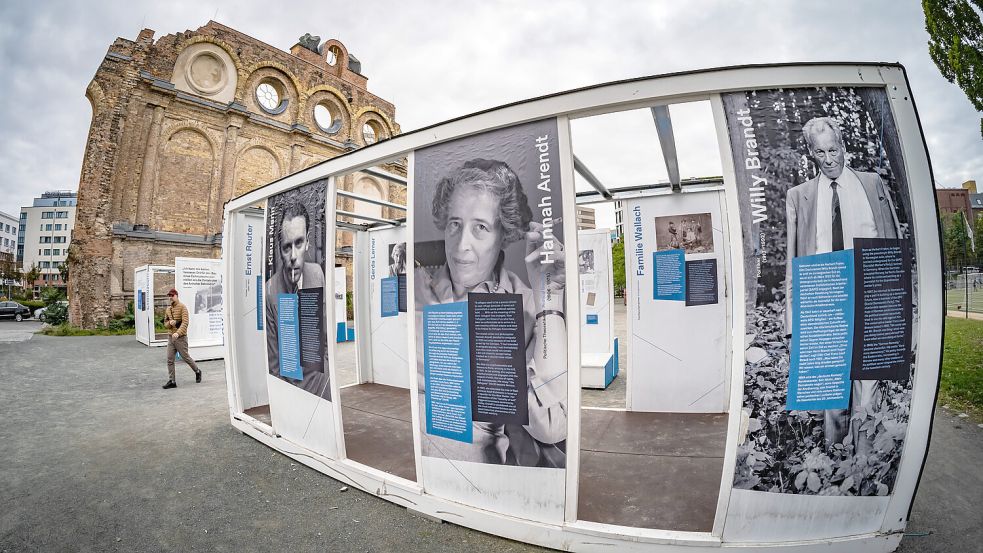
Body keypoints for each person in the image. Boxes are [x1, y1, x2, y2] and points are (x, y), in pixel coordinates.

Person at [416, 158, 567, 467]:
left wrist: (549, 297)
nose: (461, 246)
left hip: (475, 482)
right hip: (414, 473)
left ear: (505, 234)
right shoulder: (418, 289)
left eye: (480, 228)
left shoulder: (523, 306)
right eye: (454, 225)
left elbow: (552, 426)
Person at [784, 116, 901, 452]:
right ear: (812, 154)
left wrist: (901, 310)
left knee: (868, 386)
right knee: (831, 393)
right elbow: (793, 264)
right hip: (824, 299)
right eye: (820, 152)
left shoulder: (872, 184)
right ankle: (835, 459)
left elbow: (893, 245)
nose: (829, 158)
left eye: (833, 149)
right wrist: (793, 324)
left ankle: (864, 460)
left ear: (843, 146)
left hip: (870, 295)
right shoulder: (798, 196)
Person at [265, 197, 330, 399]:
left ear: (308, 241)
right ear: (280, 250)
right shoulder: (270, 291)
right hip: (291, 392)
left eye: (299, 243)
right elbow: (274, 362)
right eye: (287, 247)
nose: (293, 255)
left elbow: (325, 338)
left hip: (320, 386)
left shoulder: (317, 273)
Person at [161, 288, 201, 389]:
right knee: (170, 360)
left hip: (181, 338)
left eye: (172, 295)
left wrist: (178, 333)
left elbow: (185, 323)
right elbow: (165, 323)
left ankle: (197, 371)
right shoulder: (168, 309)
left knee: (185, 357)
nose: (170, 297)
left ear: (176, 296)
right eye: (169, 296)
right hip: (171, 338)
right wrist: (169, 324)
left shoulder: (183, 307)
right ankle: (172, 381)